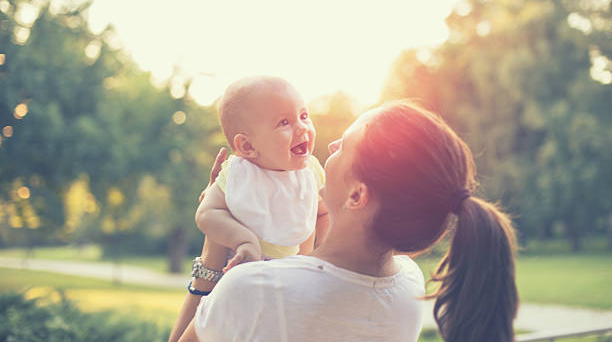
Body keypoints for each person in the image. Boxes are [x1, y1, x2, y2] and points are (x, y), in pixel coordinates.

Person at [170, 100, 518, 342]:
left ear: (356, 196)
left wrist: (216, 240)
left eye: (344, 146)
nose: (331, 144)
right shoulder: (408, 286)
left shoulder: (252, 289)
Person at [195, 76, 327, 268]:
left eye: (304, 116)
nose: (301, 127)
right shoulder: (239, 174)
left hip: (292, 270)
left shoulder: (311, 172)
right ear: (248, 146)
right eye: (284, 122)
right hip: (239, 267)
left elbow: (325, 213)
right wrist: (243, 241)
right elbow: (206, 213)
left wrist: (321, 250)